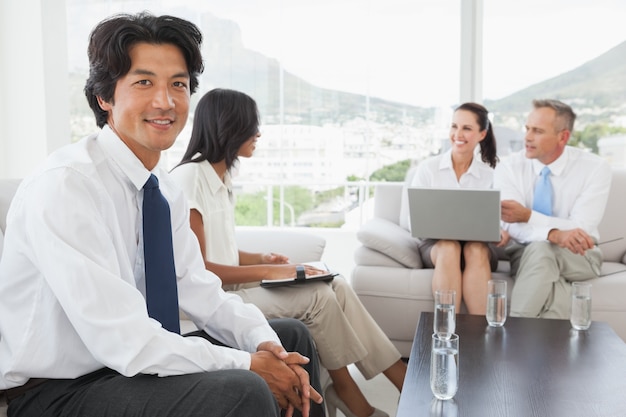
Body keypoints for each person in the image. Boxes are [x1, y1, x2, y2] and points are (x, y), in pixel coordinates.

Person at [0, 12, 324, 417]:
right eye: (144, 82)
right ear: (105, 97)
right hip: (55, 391)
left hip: (125, 372)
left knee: (290, 338)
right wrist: (246, 364)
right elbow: (124, 341)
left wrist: (264, 346)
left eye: (178, 85)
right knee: (242, 387)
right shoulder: (68, 186)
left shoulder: (163, 188)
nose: (165, 101)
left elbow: (199, 289)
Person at [170, 88, 407, 417]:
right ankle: (350, 393)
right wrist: (270, 273)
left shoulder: (220, 179)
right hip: (212, 304)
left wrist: (263, 260)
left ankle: (400, 377)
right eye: (251, 125)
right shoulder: (189, 178)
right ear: (229, 127)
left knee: (335, 284)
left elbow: (218, 249)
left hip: (234, 289)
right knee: (317, 297)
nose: (257, 133)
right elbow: (199, 269)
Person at [494, 99, 612, 319]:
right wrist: (554, 233)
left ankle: (511, 338)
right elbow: (512, 224)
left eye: (537, 131)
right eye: (527, 128)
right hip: (524, 252)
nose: (527, 137)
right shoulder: (508, 167)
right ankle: (548, 350)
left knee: (542, 251)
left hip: (581, 254)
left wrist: (528, 215)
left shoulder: (595, 168)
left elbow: (581, 230)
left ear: (563, 137)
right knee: (548, 271)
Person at [405, 102, 508, 314]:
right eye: (454, 126)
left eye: (467, 128)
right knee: (449, 246)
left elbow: (503, 218)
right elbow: (410, 218)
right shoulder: (429, 169)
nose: (458, 134)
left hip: (479, 245)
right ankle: (448, 331)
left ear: (481, 134)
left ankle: (480, 335)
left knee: (475, 249)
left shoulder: (491, 174)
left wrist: (502, 230)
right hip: (436, 246)